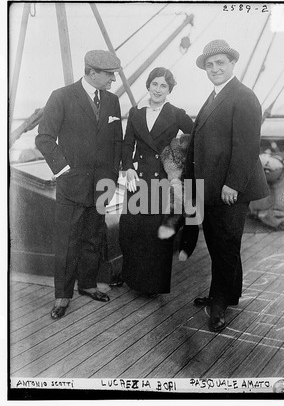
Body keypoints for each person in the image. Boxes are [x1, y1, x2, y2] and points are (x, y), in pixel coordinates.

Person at [186, 40, 269, 332]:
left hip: (232, 189)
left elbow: (247, 147)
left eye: (220, 63)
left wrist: (232, 184)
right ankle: (230, 292)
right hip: (211, 189)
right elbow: (197, 145)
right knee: (220, 244)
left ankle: (218, 304)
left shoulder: (244, 97)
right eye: (209, 65)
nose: (214, 69)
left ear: (232, 64)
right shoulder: (213, 97)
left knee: (225, 246)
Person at [35, 50, 123, 319]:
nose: (113, 81)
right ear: (92, 72)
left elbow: (116, 141)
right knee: (67, 242)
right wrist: (64, 170)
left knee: (93, 236)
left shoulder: (111, 101)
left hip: (101, 184)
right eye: (109, 75)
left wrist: (112, 174)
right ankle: (62, 296)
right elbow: (44, 138)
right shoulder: (61, 97)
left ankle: (87, 284)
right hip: (72, 184)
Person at [119, 67, 193, 296]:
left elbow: (195, 138)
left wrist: (177, 164)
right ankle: (132, 279)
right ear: (148, 86)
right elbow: (126, 144)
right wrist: (128, 168)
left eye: (164, 86)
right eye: (155, 84)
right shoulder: (136, 113)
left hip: (162, 181)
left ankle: (152, 286)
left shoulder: (177, 113)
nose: (158, 89)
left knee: (155, 232)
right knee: (132, 228)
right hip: (138, 180)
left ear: (169, 90)